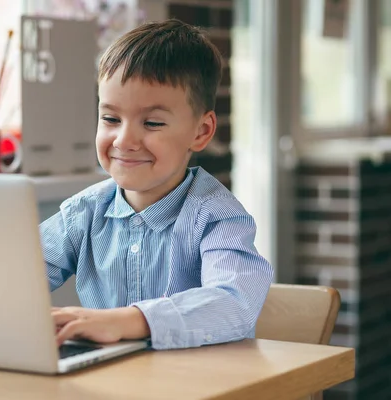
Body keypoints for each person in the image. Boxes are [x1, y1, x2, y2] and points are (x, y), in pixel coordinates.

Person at [41, 19, 273, 350]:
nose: (124, 140)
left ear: (201, 131)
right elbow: (12, 278)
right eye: (110, 119)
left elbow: (235, 304)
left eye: (152, 123)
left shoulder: (218, 217)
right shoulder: (82, 213)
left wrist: (126, 321)